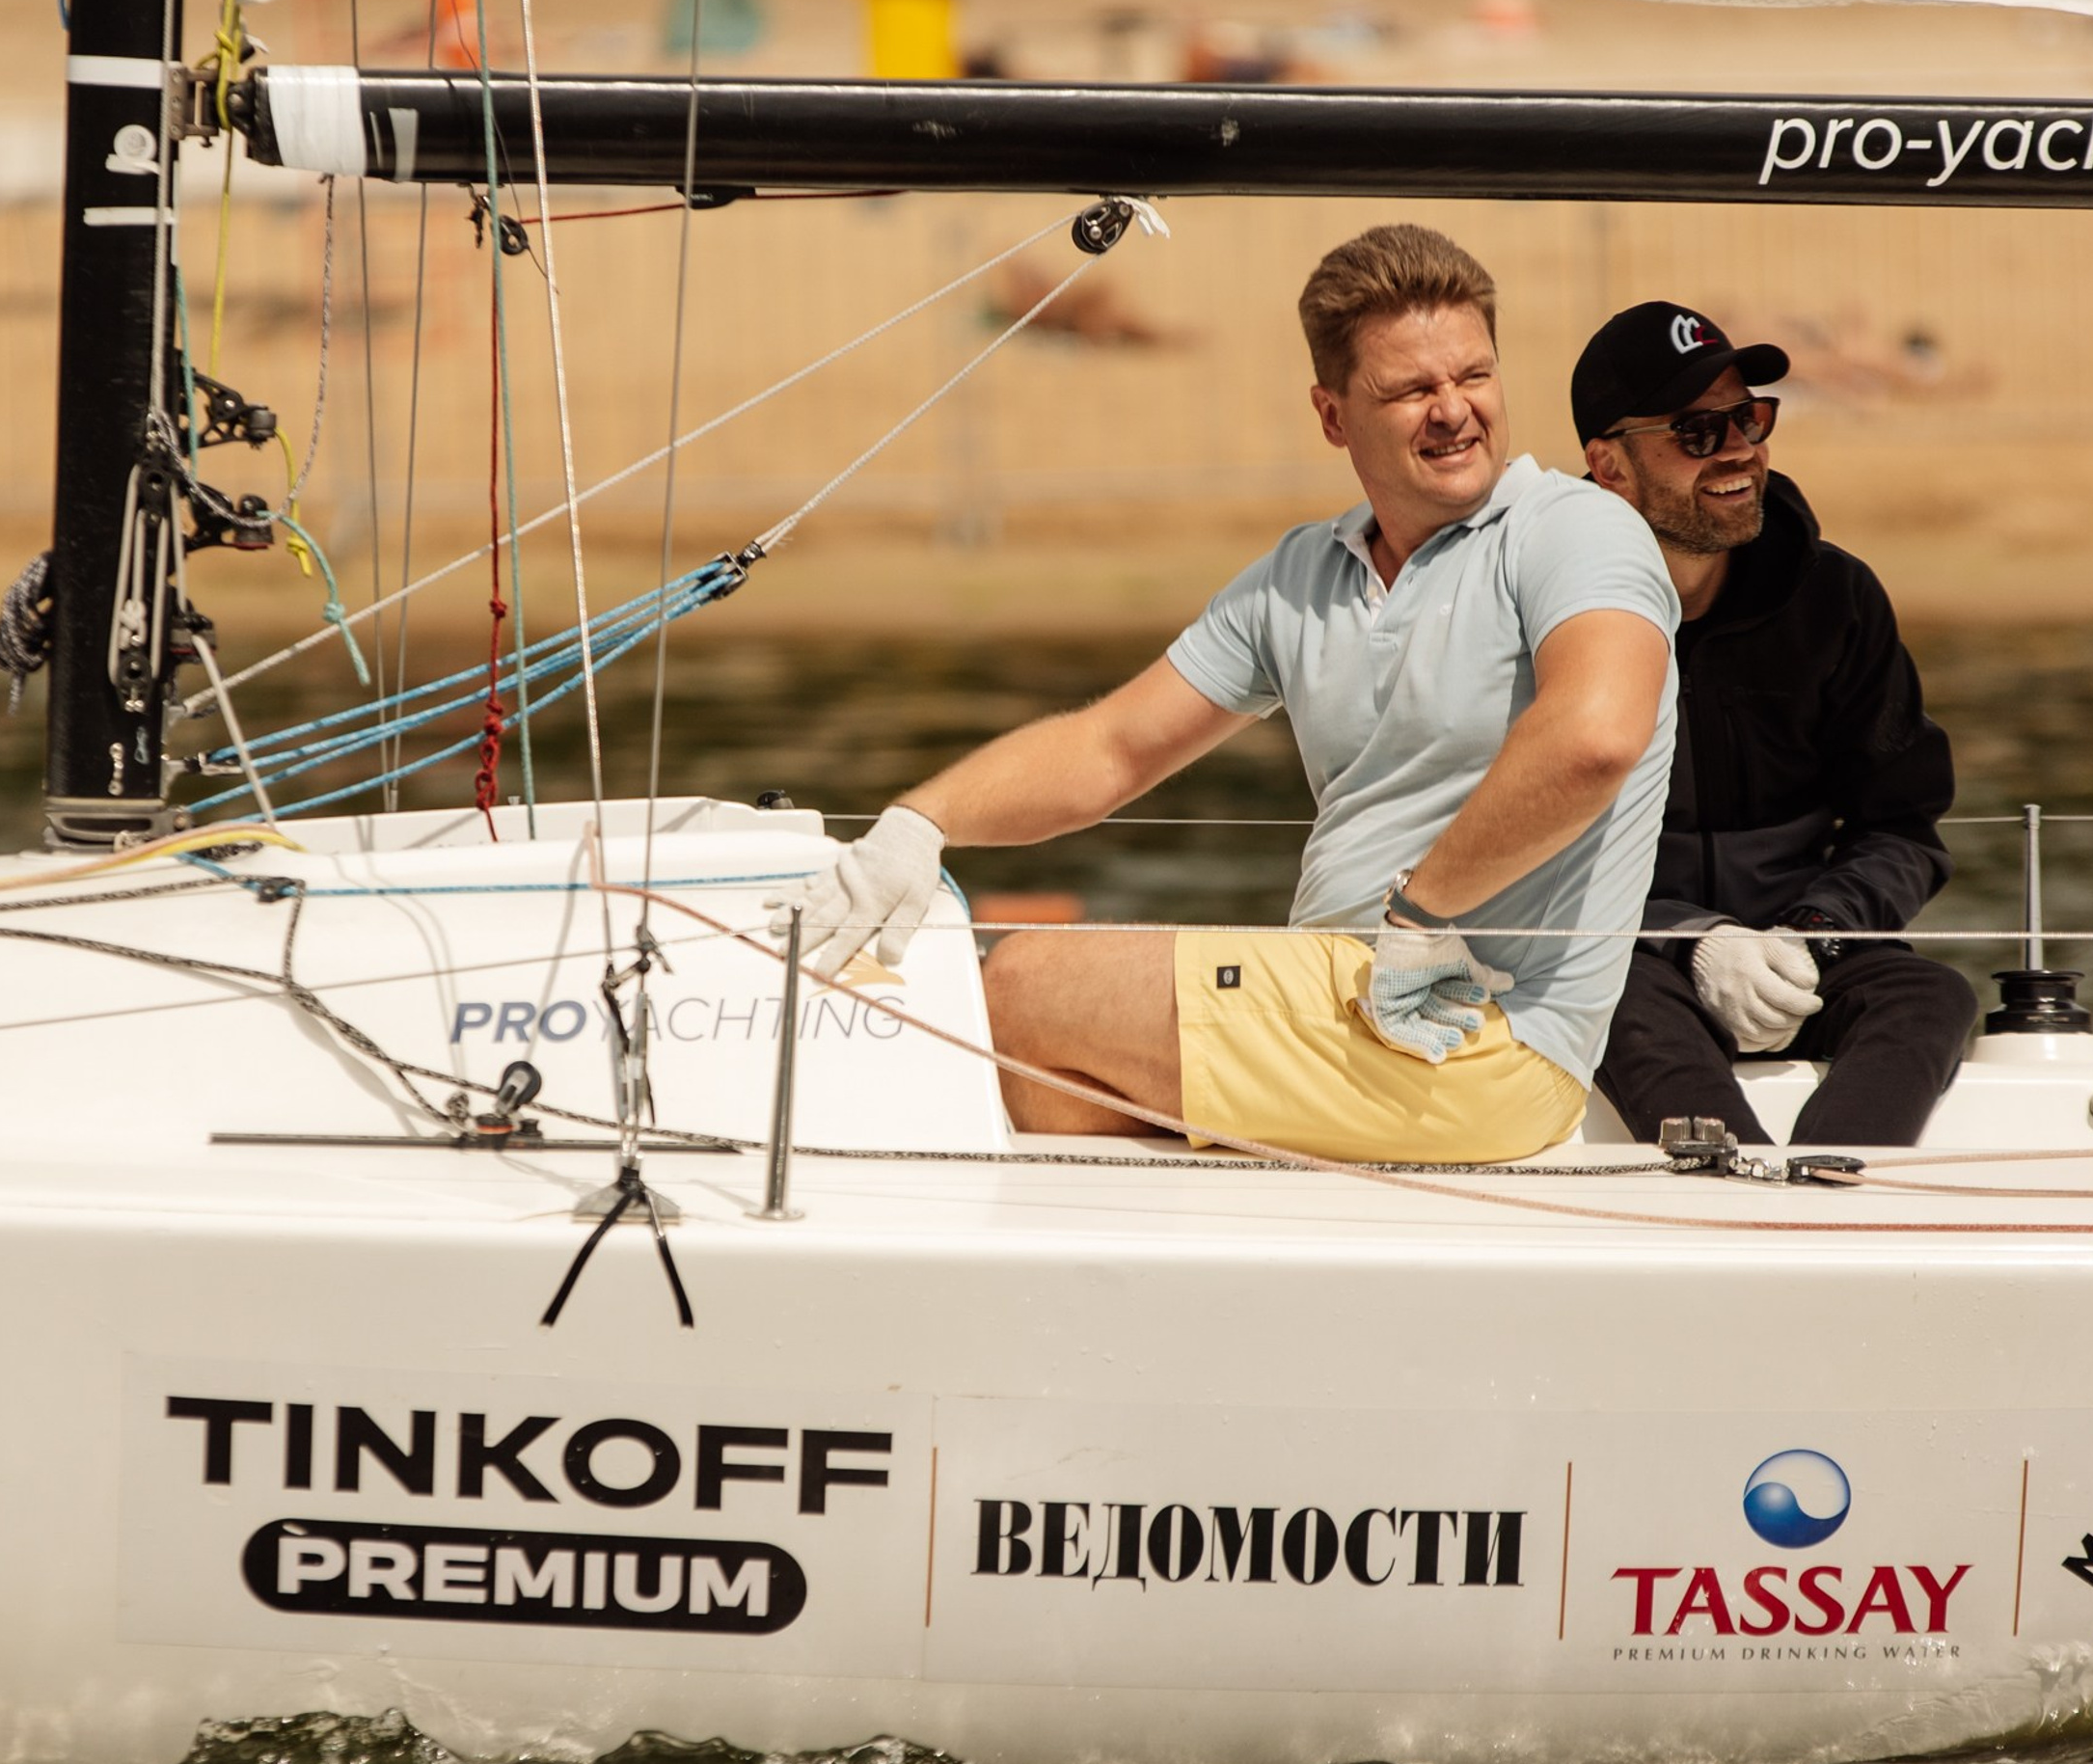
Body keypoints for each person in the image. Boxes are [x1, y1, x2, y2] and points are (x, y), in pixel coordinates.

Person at [775, 225, 1679, 1166]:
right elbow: (1110, 750)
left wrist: (1418, 921)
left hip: (1480, 1036)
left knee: (1025, 983)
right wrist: (919, 822)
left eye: (1474, 375)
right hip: (1351, 1013)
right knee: (1056, 1097)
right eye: (1411, 390)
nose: (1453, 410)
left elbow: (1594, 739)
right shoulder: (1300, 573)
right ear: (1333, 415)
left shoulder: (1573, 531)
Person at [1571, 301, 1975, 1149]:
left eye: (1750, 418)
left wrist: (1812, 937)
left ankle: (1832, 1198)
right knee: (1608, 996)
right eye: (1697, 431)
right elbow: (1531, 855)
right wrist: (1694, 943)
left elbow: (1901, 828)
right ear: (1608, 465)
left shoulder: (1836, 598)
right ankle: (1740, 1198)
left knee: (1933, 996)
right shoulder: (1545, 608)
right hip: (1632, 958)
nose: (1740, 451)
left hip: (1805, 950)